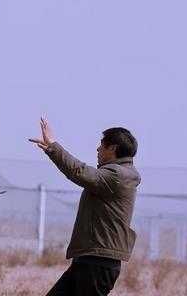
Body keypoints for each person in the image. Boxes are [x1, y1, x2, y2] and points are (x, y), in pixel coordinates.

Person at [28, 117, 141, 296]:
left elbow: (79, 172)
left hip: (98, 262)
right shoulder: (118, 174)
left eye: (101, 144)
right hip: (89, 260)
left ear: (113, 148)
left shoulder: (118, 175)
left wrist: (53, 146)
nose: (97, 148)